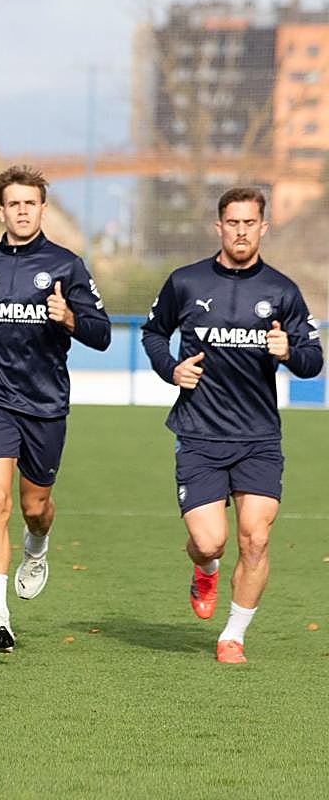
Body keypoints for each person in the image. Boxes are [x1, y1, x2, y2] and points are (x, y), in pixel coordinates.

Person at [141, 187, 322, 664]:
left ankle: (233, 636)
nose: (241, 231)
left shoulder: (282, 291)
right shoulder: (185, 282)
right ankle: (206, 568)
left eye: (249, 223)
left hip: (259, 439)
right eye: (232, 223)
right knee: (209, 541)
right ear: (218, 227)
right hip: (199, 433)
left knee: (256, 539)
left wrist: (290, 353)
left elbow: (313, 359)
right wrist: (171, 369)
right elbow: (154, 334)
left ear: (263, 227)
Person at [0, 164, 110, 653]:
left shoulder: (68, 265)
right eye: (13, 203)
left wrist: (70, 318)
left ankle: (37, 547)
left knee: (34, 507)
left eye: (30, 203)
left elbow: (102, 334)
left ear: (43, 209)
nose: (22, 211)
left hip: (45, 403)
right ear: (1, 209)